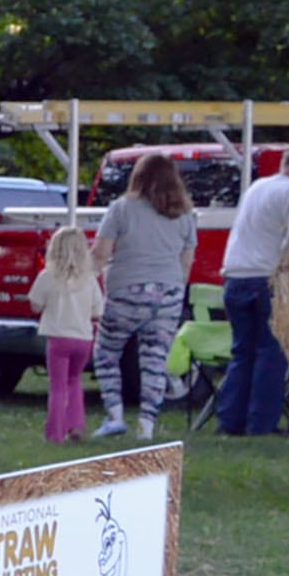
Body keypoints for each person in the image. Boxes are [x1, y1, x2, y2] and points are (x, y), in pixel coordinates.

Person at [90, 155, 198, 440]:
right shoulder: (185, 214)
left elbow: (101, 253)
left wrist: (83, 279)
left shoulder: (122, 209)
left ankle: (115, 415)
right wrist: (174, 291)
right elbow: (186, 261)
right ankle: (146, 426)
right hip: (169, 292)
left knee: (106, 353)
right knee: (154, 360)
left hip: (126, 288)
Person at [217, 147, 289, 437]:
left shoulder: (258, 187)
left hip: (235, 276)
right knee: (271, 354)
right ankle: (260, 425)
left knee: (242, 353)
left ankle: (230, 421)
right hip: (268, 280)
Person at [29, 224, 102, 445]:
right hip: (83, 338)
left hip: (58, 336)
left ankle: (56, 432)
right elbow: (97, 310)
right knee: (74, 380)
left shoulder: (48, 276)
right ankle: (76, 424)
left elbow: (35, 305)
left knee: (58, 385)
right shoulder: (89, 279)